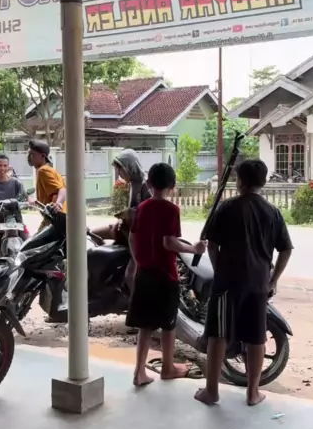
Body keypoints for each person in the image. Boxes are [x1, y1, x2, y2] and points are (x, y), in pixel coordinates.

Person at [195, 159, 293, 408]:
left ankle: (211, 391)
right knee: (256, 337)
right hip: (258, 285)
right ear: (263, 182)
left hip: (227, 284)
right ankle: (252, 393)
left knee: (218, 334)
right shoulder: (272, 212)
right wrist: (273, 280)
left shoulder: (227, 207)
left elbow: (212, 245)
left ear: (239, 181)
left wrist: (219, 270)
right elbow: (285, 249)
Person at [127, 162, 206, 387]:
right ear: (173, 185)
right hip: (164, 276)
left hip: (144, 273)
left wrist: (138, 262)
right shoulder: (171, 210)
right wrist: (194, 249)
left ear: (148, 183)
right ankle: (168, 367)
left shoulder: (142, 208)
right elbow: (169, 242)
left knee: (145, 325)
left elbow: (132, 238)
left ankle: (139, 371)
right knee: (168, 324)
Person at [93, 149, 151, 245]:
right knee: (93, 234)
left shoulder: (146, 185)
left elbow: (150, 212)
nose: (118, 173)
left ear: (129, 167)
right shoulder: (132, 183)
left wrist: (128, 214)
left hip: (138, 233)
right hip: (127, 227)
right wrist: (122, 219)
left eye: (120, 169)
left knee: (95, 234)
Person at [27, 139, 66, 226]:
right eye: (28, 154)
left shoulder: (43, 170)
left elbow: (60, 190)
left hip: (55, 220)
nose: (28, 157)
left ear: (43, 156)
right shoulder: (50, 170)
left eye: (32, 154)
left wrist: (58, 204)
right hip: (56, 218)